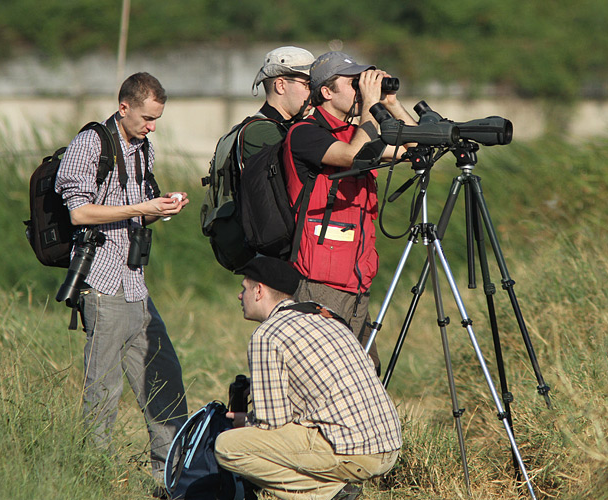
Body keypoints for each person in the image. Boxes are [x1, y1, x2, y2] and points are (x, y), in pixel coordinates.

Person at [54, 72, 188, 485]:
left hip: (135, 284)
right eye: (147, 118)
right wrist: (139, 208)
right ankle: (93, 480)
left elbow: (137, 207)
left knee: (166, 379)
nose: (152, 127)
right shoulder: (90, 143)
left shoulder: (144, 148)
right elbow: (79, 212)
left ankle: (170, 479)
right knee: (103, 391)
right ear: (124, 106)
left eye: (157, 120)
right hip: (102, 281)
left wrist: (161, 208)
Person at [214, 256, 401, 500]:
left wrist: (244, 421)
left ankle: (328, 494)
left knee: (228, 447)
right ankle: (338, 490)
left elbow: (272, 424)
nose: (240, 296)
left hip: (354, 452)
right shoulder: (324, 314)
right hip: (389, 445)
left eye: (244, 288)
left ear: (259, 291)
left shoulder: (267, 335)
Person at [282, 51, 418, 371]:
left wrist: (391, 102)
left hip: (356, 280)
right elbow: (353, 155)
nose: (360, 89)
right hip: (318, 282)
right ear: (326, 92)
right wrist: (370, 104)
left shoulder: (354, 131)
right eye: (353, 83)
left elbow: (415, 149)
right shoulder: (304, 133)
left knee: (366, 373)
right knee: (324, 377)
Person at [241, 45, 315, 160]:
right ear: (281, 86)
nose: (313, 93)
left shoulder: (286, 127)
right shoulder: (260, 131)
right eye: (308, 85)